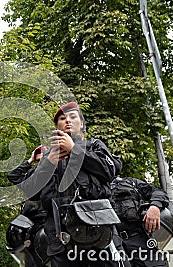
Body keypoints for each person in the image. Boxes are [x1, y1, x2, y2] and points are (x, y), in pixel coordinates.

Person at [26, 102, 129, 266]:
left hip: (99, 230)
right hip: (61, 238)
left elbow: (110, 170)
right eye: (62, 118)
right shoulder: (48, 157)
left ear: (81, 124)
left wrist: (75, 149)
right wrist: (47, 165)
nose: (67, 120)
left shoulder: (94, 145)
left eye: (73, 117)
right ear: (57, 126)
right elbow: (31, 192)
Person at [111, 176, 170, 266]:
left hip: (140, 240)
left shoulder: (130, 182)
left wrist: (155, 206)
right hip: (111, 245)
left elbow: (158, 192)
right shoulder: (93, 188)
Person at [7, 145, 50, 267]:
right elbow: (13, 176)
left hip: (46, 221)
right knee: (30, 260)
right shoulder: (31, 174)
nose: (41, 163)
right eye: (38, 160)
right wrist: (29, 161)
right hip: (29, 223)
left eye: (44, 159)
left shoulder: (55, 173)